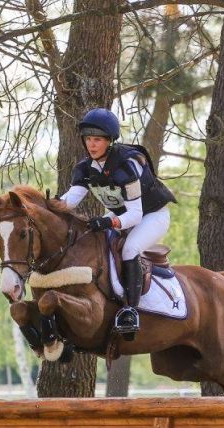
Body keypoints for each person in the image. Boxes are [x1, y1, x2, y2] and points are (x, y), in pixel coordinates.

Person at [57, 108, 177, 338]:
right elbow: (70, 201)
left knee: (130, 249)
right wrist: (43, 206)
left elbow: (135, 214)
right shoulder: (85, 168)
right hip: (120, 217)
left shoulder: (127, 166)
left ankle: (130, 311)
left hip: (152, 216)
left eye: (98, 140)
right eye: (88, 139)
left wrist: (106, 222)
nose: (91, 145)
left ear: (110, 141)